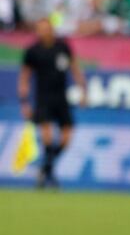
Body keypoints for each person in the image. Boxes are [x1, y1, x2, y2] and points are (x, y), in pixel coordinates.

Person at [18, 18, 86, 188]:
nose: (43, 32)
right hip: (43, 98)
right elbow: (25, 77)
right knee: (47, 136)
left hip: (61, 98)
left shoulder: (62, 47)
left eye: (46, 28)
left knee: (66, 137)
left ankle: (45, 168)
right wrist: (24, 102)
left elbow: (75, 68)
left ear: (52, 29)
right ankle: (49, 173)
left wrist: (83, 90)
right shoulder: (33, 51)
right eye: (39, 29)